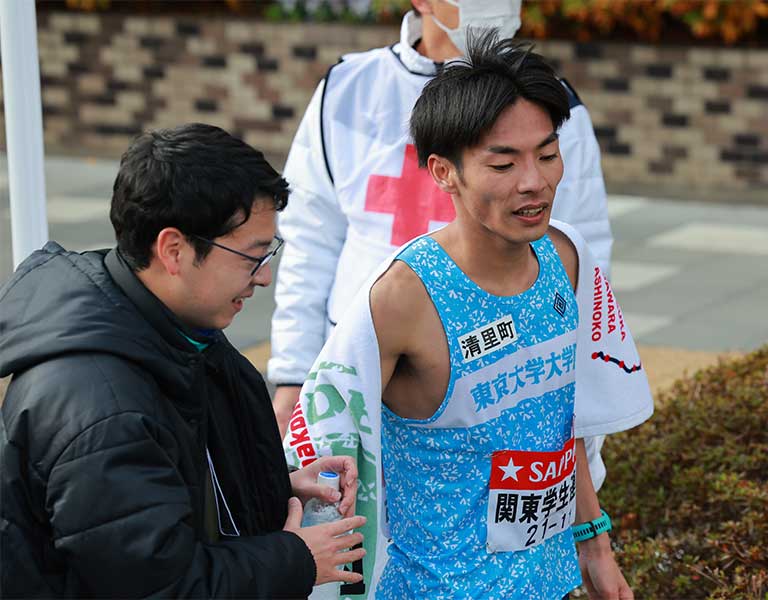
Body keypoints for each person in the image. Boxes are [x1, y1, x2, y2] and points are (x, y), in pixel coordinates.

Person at [283, 33, 653, 599]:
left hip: (550, 583)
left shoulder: (566, 259)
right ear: (442, 171)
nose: (534, 182)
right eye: (503, 163)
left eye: (548, 155)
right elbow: (328, 449)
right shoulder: (402, 298)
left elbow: (564, 419)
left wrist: (595, 547)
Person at [0, 123, 366, 597]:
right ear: (174, 250)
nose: (265, 276)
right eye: (252, 256)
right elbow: (157, 586)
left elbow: (176, 490)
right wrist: (296, 558)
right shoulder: (100, 408)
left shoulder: (175, 328)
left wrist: (281, 486)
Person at [269, 0, 614, 439]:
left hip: (497, 374)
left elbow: (583, 253)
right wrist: (294, 372)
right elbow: (310, 237)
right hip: (359, 361)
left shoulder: (546, 101)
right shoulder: (347, 88)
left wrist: (579, 414)